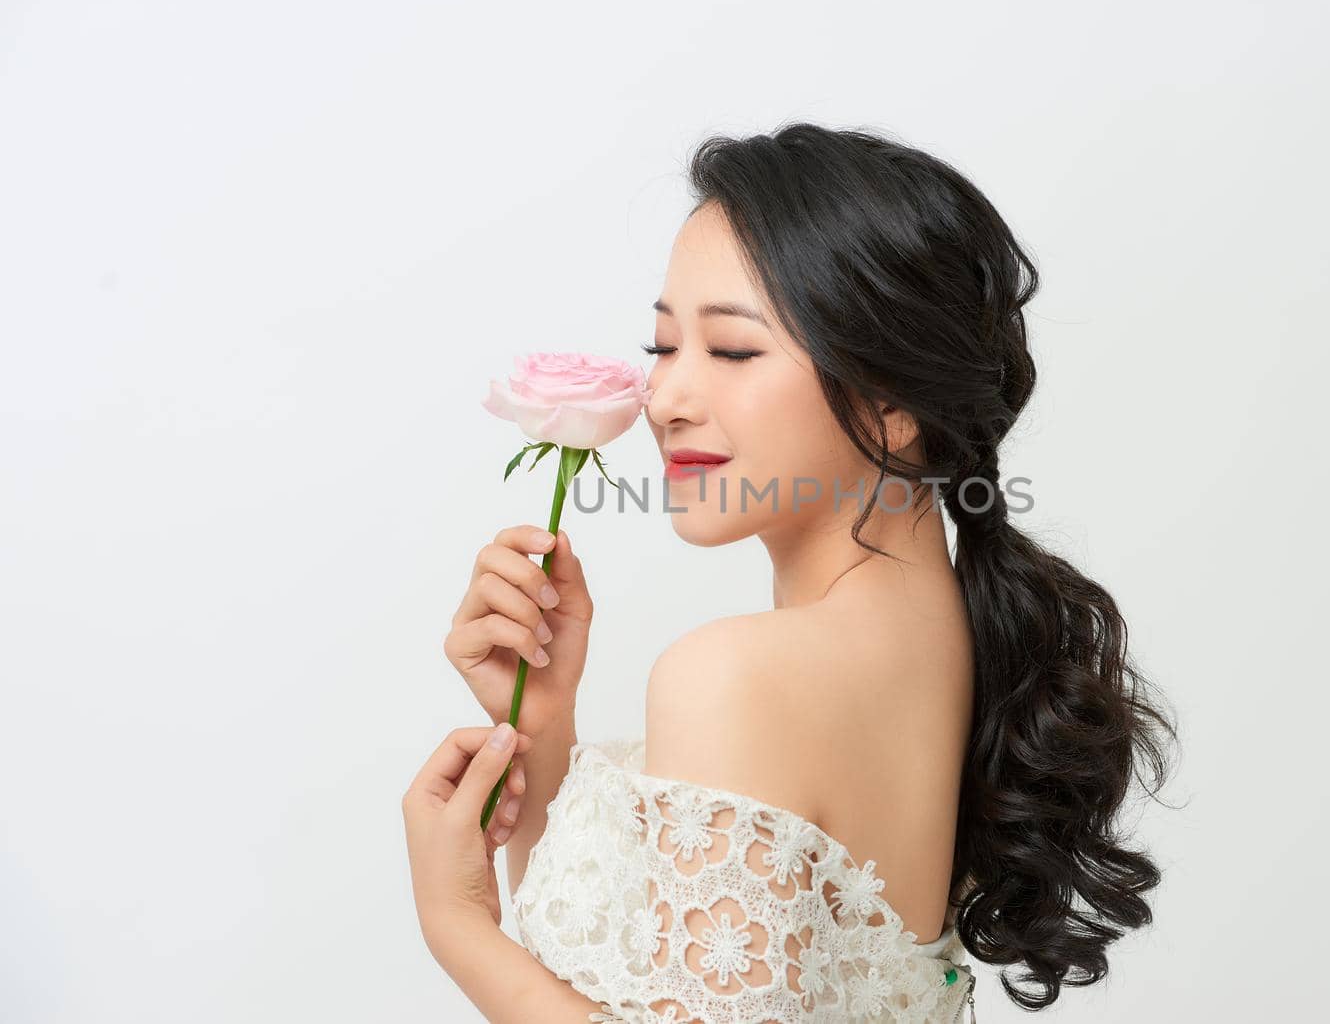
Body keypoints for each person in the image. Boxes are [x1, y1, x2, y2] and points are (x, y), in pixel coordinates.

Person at [402, 122, 1177, 1021]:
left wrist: (456, 923)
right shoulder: (948, 645)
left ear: (893, 404)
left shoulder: (742, 676)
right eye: (663, 347)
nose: (667, 398)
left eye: (731, 350)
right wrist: (541, 726)